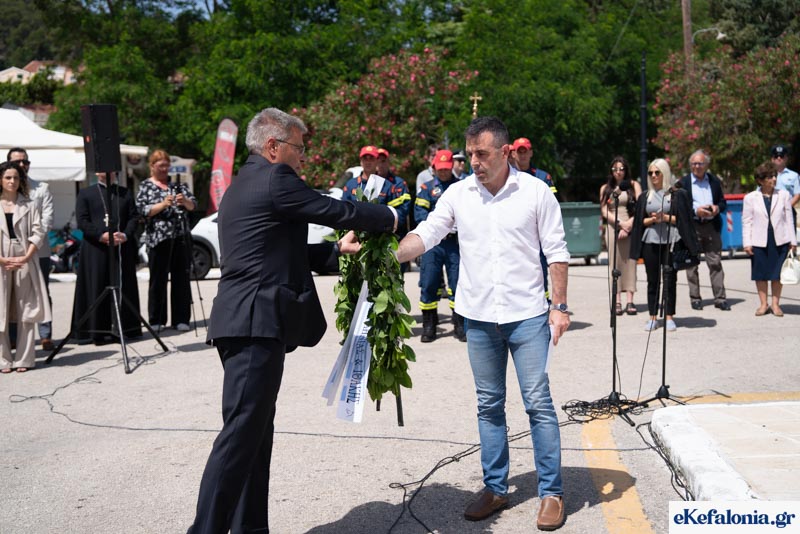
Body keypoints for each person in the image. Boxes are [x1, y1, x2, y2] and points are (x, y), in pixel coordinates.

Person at [188, 107, 398, 534]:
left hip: (246, 321)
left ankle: (251, 529)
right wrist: (390, 218)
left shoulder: (245, 182)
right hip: (254, 322)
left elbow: (273, 250)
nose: (303, 156)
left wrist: (335, 252)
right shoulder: (275, 179)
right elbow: (336, 210)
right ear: (272, 146)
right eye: (298, 147)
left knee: (254, 435)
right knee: (240, 435)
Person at [397, 117, 570, 531]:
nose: (474, 161)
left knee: (538, 403)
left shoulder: (535, 191)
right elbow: (428, 232)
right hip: (477, 318)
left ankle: (551, 493)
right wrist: (391, 255)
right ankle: (495, 488)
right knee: (489, 405)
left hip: (527, 316)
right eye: (470, 154)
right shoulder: (458, 194)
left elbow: (557, 251)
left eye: (482, 154)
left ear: (505, 152)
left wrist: (560, 306)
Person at [71, 172, 142, 344]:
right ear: (97, 173)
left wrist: (125, 235)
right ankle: (95, 331)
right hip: (95, 248)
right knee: (96, 286)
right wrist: (100, 236)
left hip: (121, 246)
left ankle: (125, 328)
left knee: (123, 285)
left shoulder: (125, 193)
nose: (108, 173)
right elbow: (82, 220)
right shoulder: (86, 193)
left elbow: (134, 217)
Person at [629, 159, 698, 332]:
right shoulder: (645, 196)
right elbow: (639, 222)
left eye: (657, 172)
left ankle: (669, 316)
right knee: (652, 281)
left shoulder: (676, 194)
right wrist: (652, 219)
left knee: (670, 279)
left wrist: (665, 218)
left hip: (671, 241)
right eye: (650, 173)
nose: (653, 176)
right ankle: (653, 317)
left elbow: (684, 219)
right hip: (650, 241)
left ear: (664, 173)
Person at [136, 150, 197, 331]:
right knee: (158, 280)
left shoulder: (178, 185)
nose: (164, 169)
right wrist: (163, 204)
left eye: (166, 165)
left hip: (180, 237)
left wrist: (184, 201)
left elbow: (193, 205)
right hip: (158, 239)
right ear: (152, 166)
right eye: (160, 165)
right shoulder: (146, 186)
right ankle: (157, 319)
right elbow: (142, 210)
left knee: (181, 279)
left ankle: (181, 319)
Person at [1, 161, 51, 372]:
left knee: (26, 308)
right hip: (1, 259)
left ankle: (24, 359)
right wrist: (2, 259)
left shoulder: (29, 204)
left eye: (16, 177)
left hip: (25, 256)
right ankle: (3, 360)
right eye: (8, 177)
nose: (12, 181)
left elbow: (38, 232)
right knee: (1, 309)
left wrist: (26, 256)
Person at [7, 148, 55, 350]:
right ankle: (13, 337)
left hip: (38, 251)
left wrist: (31, 244)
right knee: (10, 294)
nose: (21, 165)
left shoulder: (41, 188)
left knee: (40, 291)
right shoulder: (4, 189)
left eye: (25, 162)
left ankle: (45, 335)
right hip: (9, 252)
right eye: (17, 162)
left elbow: (47, 221)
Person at [414, 149, 464, 342]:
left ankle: (459, 324)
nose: (443, 172)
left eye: (446, 168)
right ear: (434, 167)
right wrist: (438, 226)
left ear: (451, 167)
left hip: (454, 244)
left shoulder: (461, 187)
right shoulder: (427, 188)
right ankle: (429, 326)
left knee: (457, 283)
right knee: (429, 283)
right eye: (440, 169)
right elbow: (419, 214)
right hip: (432, 244)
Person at [742, 162, 797, 316]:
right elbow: (746, 221)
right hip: (758, 240)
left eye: (774, 176)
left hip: (780, 239)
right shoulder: (750, 198)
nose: (774, 179)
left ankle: (775, 304)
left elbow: (789, 219)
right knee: (760, 273)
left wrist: (793, 241)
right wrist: (747, 243)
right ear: (760, 180)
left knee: (777, 273)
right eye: (769, 177)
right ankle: (763, 304)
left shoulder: (784, 195)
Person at [679, 150, 730, 311]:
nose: (697, 166)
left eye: (700, 163)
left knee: (715, 262)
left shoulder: (714, 181)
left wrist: (716, 208)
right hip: (692, 226)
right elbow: (679, 206)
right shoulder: (684, 182)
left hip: (711, 226)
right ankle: (695, 298)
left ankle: (720, 298)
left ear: (706, 164)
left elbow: (722, 202)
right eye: (694, 163)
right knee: (692, 265)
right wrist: (696, 211)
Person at [600, 156, 642, 315]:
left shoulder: (633, 185)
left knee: (630, 263)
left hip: (631, 226)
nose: (618, 172)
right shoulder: (606, 188)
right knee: (615, 264)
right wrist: (620, 224)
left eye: (621, 169)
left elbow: (640, 207)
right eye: (615, 169)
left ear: (626, 170)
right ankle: (617, 301)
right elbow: (604, 210)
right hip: (613, 227)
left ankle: (630, 300)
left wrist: (629, 224)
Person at [770, 144, 800, 224]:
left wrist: (786, 208)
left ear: (786, 158)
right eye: (776, 156)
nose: (779, 158)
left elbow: (797, 194)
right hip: (770, 212)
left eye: (782, 156)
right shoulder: (766, 175)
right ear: (772, 159)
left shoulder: (794, 175)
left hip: (788, 212)